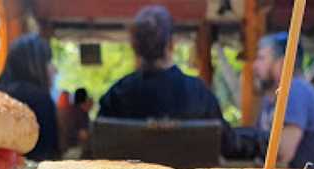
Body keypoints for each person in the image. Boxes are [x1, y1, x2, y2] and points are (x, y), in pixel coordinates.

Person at [98, 5, 238, 157]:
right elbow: (227, 145)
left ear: (134, 46)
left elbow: (98, 147)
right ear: (171, 44)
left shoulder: (116, 96)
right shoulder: (200, 94)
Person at [253, 32, 314, 169]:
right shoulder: (270, 98)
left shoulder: (296, 90)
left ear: (283, 63)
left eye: (261, 58)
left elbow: (283, 153)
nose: (254, 65)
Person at [0, 34, 60, 160]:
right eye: (49, 61)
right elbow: (49, 156)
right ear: (34, 65)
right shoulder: (41, 100)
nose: (55, 69)